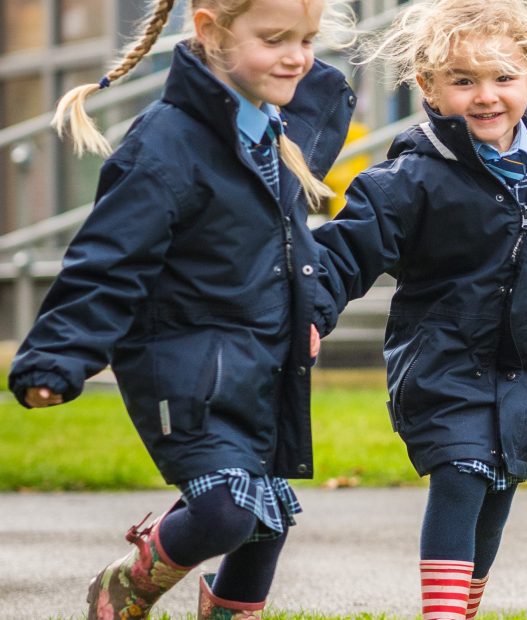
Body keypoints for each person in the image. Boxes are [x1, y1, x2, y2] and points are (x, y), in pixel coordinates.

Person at [9, 0, 354, 615]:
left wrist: (311, 311)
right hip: (186, 363)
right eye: (275, 38)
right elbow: (108, 258)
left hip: (261, 358)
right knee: (227, 512)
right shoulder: (167, 142)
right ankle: (126, 583)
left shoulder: (272, 128)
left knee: (264, 515)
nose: (298, 56)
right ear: (209, 30)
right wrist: (59, 355)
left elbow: (294, 250)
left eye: (307, 38)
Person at [308, 0, 527, 617]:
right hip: (443, 357)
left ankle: (464, 607)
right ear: (427, 87)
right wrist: (311, 312)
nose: (486, 96)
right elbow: (348, 250)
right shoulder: (411, 178)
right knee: (462, 475)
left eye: (504, 78)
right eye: (463, 81)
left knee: (500, 489)